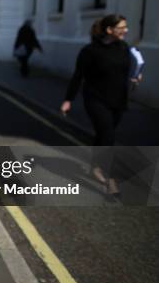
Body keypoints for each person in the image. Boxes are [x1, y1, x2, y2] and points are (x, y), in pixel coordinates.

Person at [60, 14, 140, 195]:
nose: (126, 31)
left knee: (103, 135)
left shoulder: (124, 48)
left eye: (126, 27)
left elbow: (125, 71)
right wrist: (68, 100)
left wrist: (135, 77)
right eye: (121, 28)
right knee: (108, 136)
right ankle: (109, 178)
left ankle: (95, 166)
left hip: (118, 100)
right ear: (109, 30)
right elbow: (78, 76)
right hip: (96, 100)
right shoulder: (90, 51)